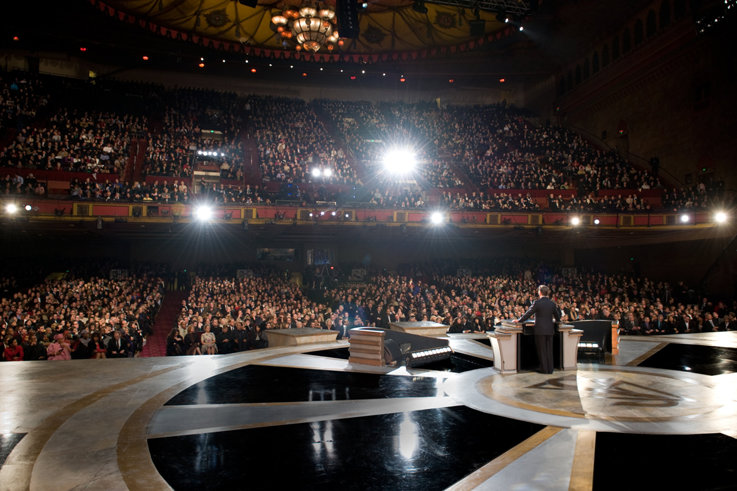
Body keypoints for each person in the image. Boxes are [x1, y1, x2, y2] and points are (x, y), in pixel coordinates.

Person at [514, 285, 561, 374]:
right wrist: (557, 320)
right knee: (549, 350)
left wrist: (519, 320)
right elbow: (557, 317)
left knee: (542, 350)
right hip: (550, 330)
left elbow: (528, 313)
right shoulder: (552, 303)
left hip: (540, 330)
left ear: (539, 292)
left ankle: (544, 369)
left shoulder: (537, 303)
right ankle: (550, 369)